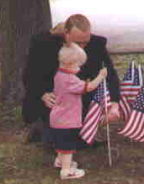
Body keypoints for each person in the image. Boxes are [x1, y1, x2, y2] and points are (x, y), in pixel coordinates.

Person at [22, 14, 120, 145]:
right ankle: (41, 127)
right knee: (57, 142)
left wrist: (114, 104)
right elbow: (30, 75)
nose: (82, 47)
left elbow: (110, 75)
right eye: (77, 43)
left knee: (81, 142)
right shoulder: (43, 43)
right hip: (54, 98)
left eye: (85, 42)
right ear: (66, 34)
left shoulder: (97, 44)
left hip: (82, 96)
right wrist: (42, 94)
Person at [51, 42, 107, 179]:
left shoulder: (59, 75)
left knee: (61, 143)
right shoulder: (70, 79)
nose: (79, 68)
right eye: (77, 65)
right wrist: (101, 76)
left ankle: (60, 161)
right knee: (68, 146)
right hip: (67, 119)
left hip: (58, 118)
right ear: (69, 64)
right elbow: (89, 87)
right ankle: (66, 171)